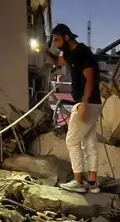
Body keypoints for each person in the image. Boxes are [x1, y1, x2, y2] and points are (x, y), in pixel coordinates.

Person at [46, 24, 102, 193]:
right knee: (89, 142)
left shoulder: (82, 54)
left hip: (87, 103)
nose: (56, 44)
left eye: (57, 40)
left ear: (67, 37)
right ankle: (92, 183)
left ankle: (78, 180)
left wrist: (84, 103)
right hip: (94, 103)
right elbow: (58, 61)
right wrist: (44, 51)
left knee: (72, 141)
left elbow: (90, 78)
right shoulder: (72, 54)